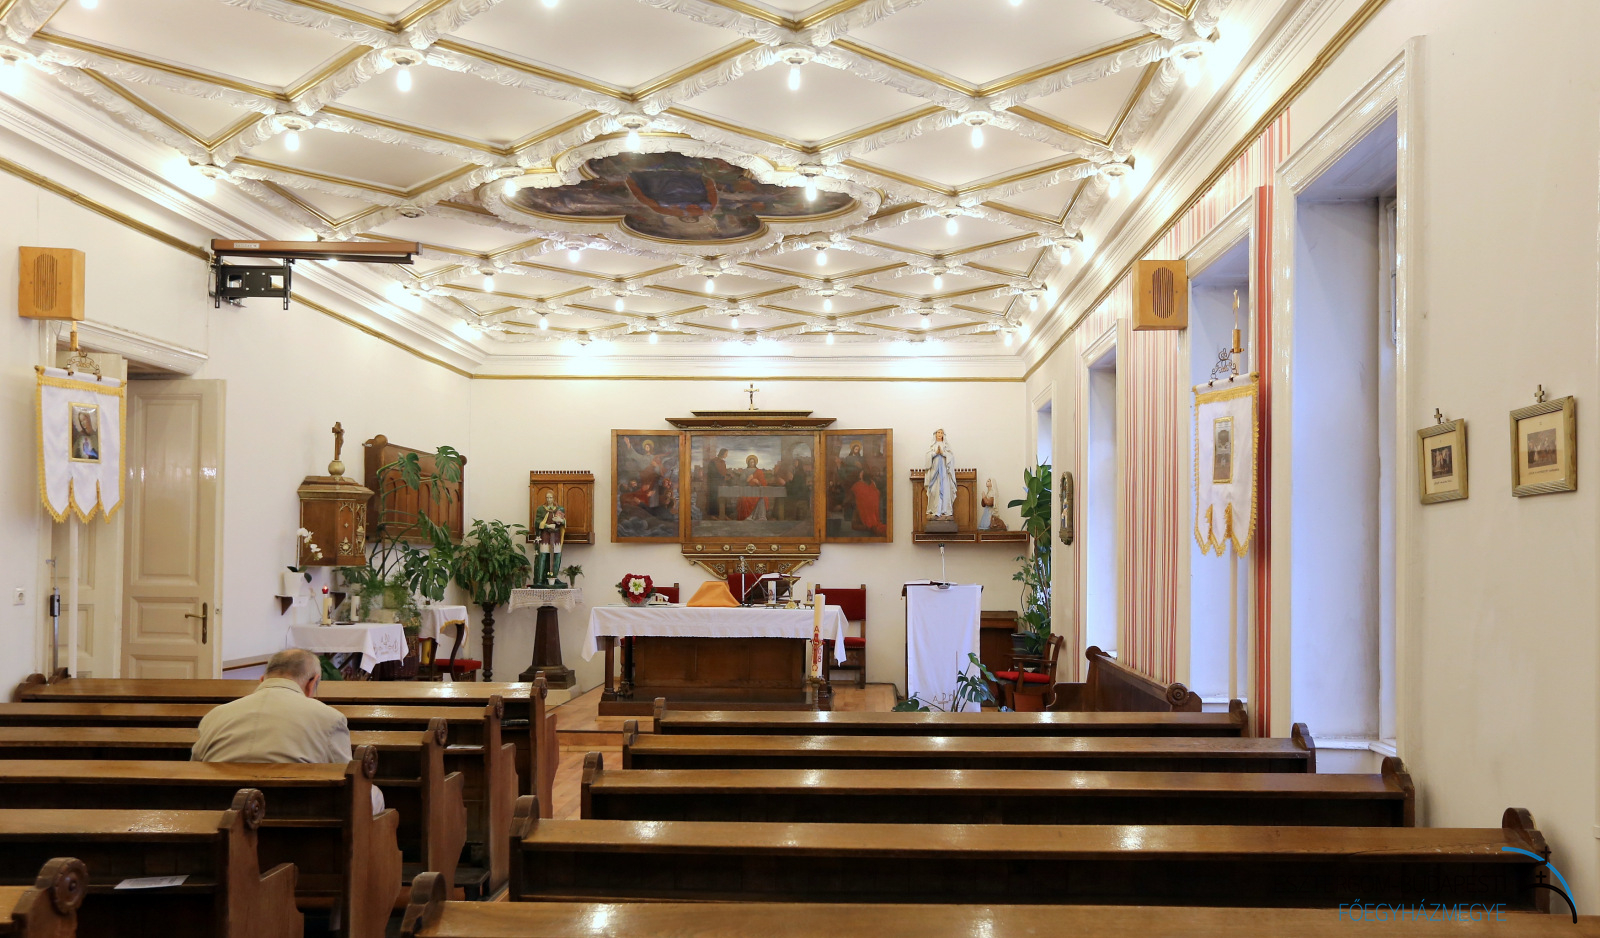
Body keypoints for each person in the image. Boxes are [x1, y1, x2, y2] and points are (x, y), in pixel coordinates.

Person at [191, 648, 383, 814]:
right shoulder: (330, 718)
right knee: (373, 795)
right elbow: (347, 779)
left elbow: (195, 769)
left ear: (262, 680)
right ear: (312, 683)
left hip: (224, 814)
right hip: (300, 816)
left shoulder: (215, 715)